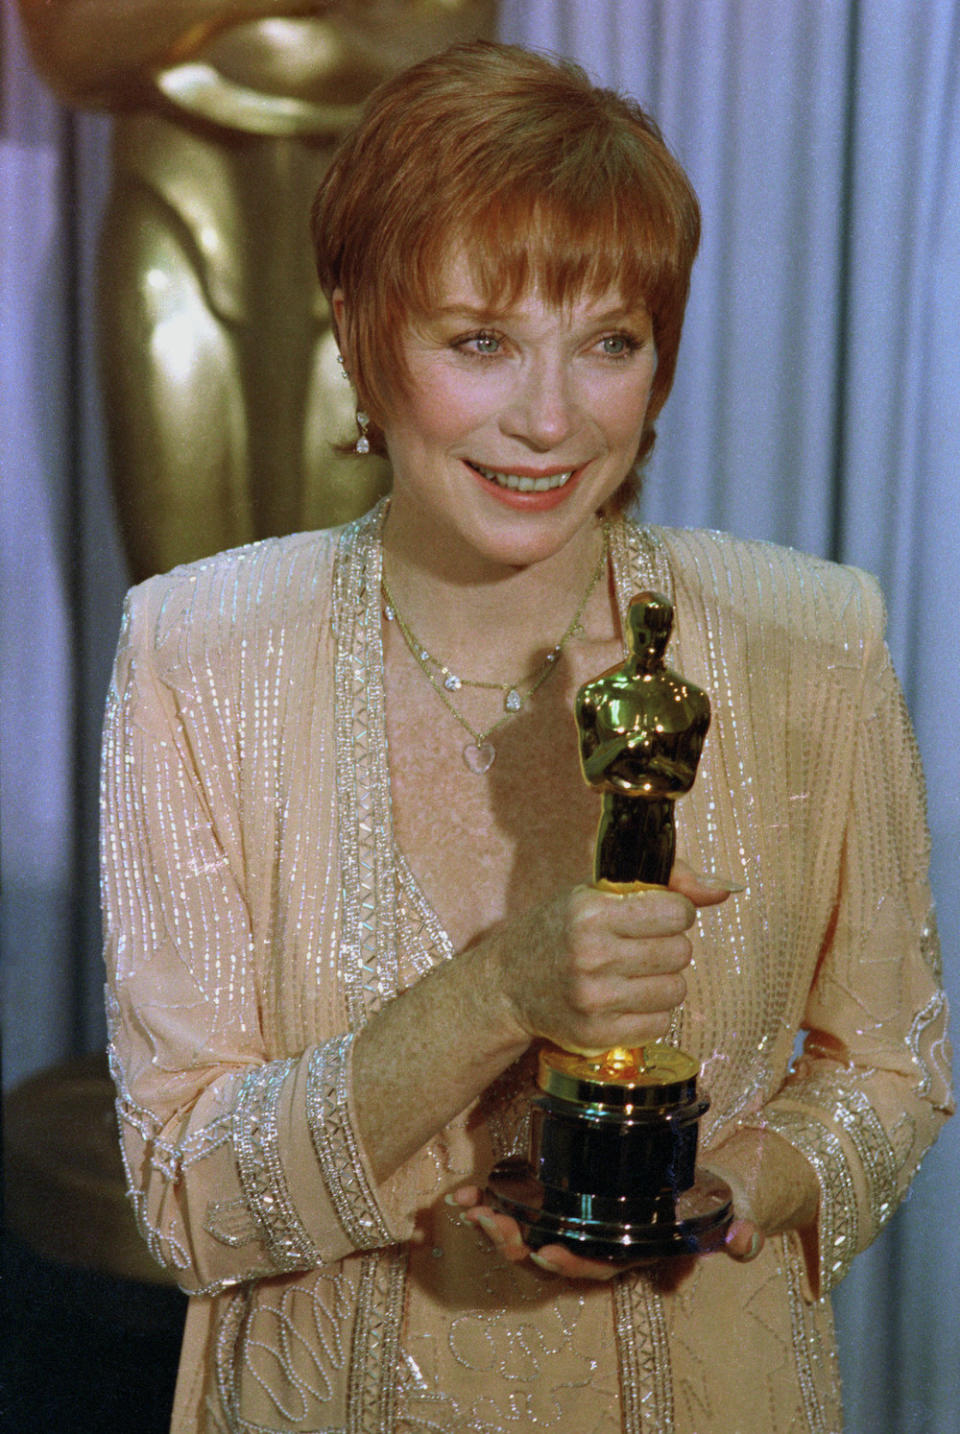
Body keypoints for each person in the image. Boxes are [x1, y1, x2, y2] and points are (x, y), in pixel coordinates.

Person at [100, 40, 952, 1434]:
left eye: (609, 341)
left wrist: (742, 1188)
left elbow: (895, 1065)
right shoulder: (198, 654)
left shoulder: (815, 644)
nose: (552, 418)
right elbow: (187, 1195)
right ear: (360, 335)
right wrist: (500, 991)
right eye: (480, 340)